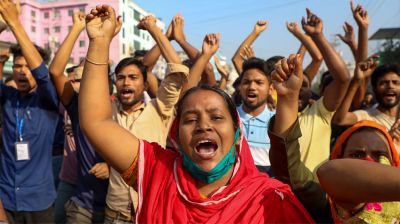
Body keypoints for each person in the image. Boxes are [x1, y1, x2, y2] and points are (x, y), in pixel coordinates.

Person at [78, 5, 314, 223]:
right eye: (190, 119)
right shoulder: (156, 170)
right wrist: (99, 42)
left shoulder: (268, 200)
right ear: (176, 136)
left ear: (237, 134)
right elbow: (96, 121)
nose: (203, 125)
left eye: (217, 117)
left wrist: (288, 99)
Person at [48, 11, 122, 223]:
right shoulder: (77, 106)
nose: (84, 85)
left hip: (117, 207)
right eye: (78, 80)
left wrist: (111, 167)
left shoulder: (122, 107)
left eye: (89, 77)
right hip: (84, 204)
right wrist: (78, 28)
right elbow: (55, 72)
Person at [0, 0, 59, 223]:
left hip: (39, 201)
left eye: (28, 66)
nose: (22, 72)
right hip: (5, 197)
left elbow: (43, 75)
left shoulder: (48, 100)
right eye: (17, 66)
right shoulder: (7, 97)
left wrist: (16, 24)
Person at [237, 57, 275, 175]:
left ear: (270, 89)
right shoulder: (229, 118)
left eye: (259, 82)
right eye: (246, 82)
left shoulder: (276, 123)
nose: (252, 87)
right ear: (239, 87)